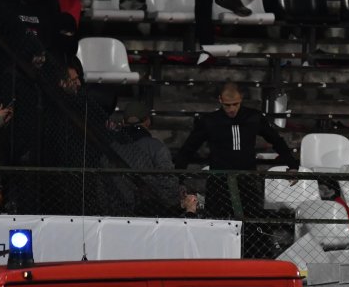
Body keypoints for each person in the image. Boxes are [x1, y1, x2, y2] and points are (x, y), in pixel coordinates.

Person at [178, 82, 296, 220]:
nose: (232, 109)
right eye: (227, 105)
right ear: (220, 100)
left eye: (235, 104)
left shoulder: (253, 117)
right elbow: (188, 148)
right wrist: (179, 179)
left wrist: (292, 165)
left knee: (250, 221)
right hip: (219, 181)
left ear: (241, 99)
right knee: (216, 221)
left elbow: (276, 140)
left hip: (246, 179)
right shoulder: (210, 121)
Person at [106, 101, 177, 217]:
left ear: (123, 123)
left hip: (115, 214)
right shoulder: (156, 147)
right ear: (148, 122)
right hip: (151, 214)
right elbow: (170, 186)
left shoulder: (111, 149)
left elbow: (102, 189)